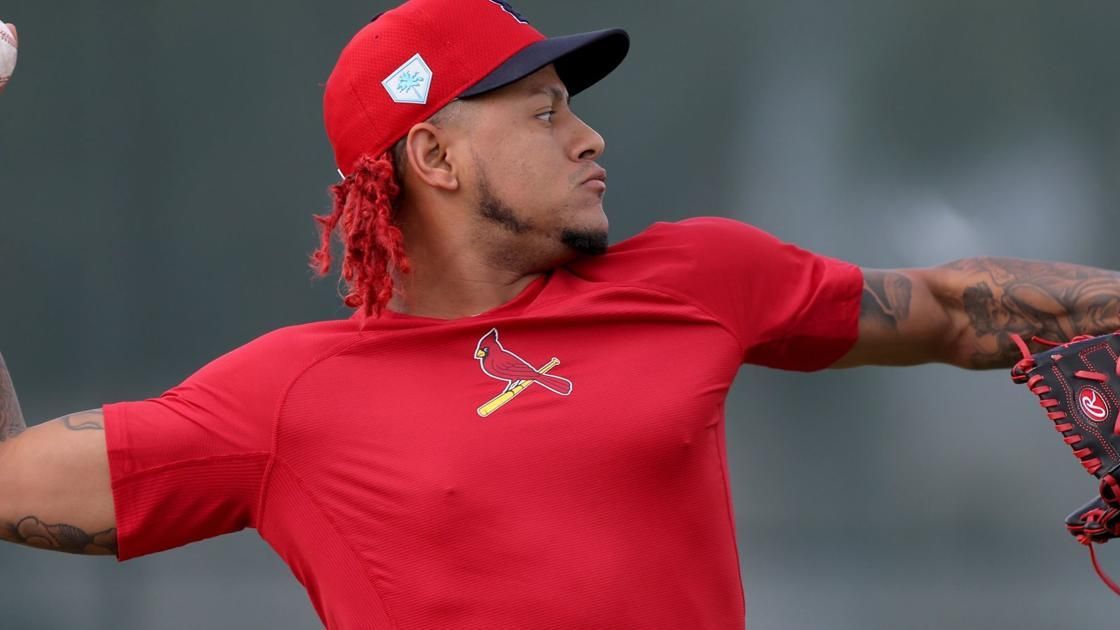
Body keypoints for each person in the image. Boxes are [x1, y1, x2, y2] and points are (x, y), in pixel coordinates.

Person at [2, 1, 1120, 628]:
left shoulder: (692, 279)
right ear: (434, 156)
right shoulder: (288, 398)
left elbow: (946, 307)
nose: (588, 137)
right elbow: (7, 486)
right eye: (542, 113)